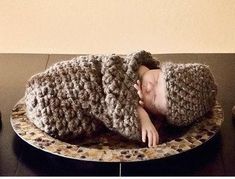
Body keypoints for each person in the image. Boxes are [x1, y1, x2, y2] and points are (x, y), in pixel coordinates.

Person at [134, 63, 217, 148]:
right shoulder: (141, 66)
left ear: (159, 114)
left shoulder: (154, 120)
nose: (149, 87)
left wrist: (141, 114)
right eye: (156, 79)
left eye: (154, 97)